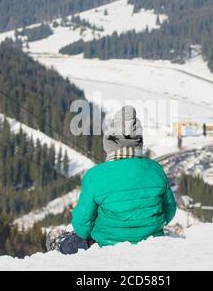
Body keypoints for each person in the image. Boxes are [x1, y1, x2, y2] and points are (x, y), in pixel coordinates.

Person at [50, 106, 177, 255]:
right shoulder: (155, 169)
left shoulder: (94, 175)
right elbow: (170, 210)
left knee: (72, 242)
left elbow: (82, 225)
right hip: (151, 240)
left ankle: (57, 244)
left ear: (109, 142)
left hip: (106, 244)